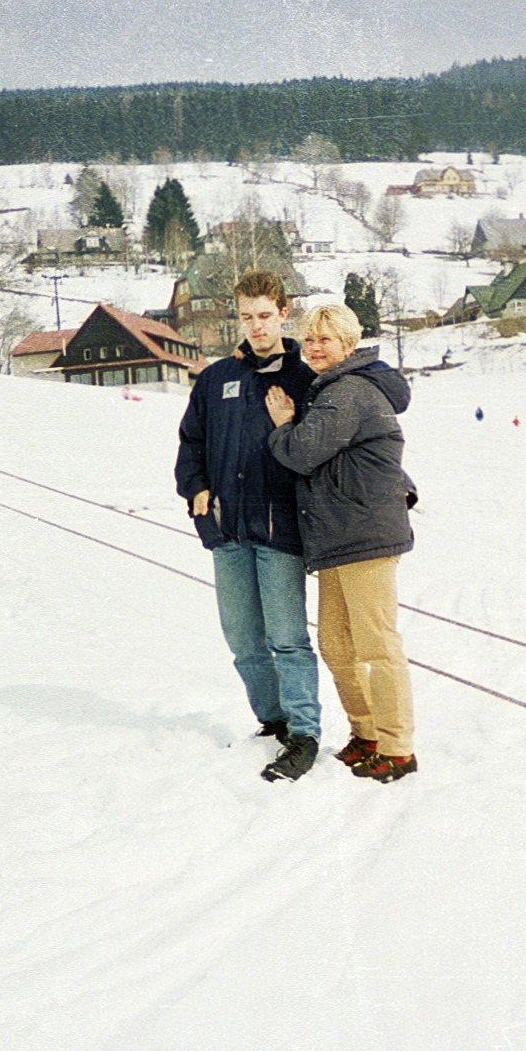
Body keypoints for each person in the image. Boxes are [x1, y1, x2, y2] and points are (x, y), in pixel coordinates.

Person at [175, 270, 321, 782]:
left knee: (287, 637)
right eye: (246, 316)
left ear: (284, 314)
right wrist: (195, 487)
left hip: (280, 528)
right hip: (227, 527)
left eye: (265, 315)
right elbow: (191, 441)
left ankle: (304, 733)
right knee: (242, 638)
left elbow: (324, 447)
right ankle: (273, 721)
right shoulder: (218, 379)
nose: (256, 326)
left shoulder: (306, 378)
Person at [264, 304, 418, 784]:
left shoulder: (348, 391)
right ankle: (366, 733)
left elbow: (303, 452)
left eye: (325, 340)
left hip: (364, 536)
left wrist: (282, 425)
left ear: (349, 345)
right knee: (337, 644)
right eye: (309, 340)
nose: (314, 348)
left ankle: (397, 747)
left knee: (376, 644)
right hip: (338, 536)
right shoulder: (331, 390)